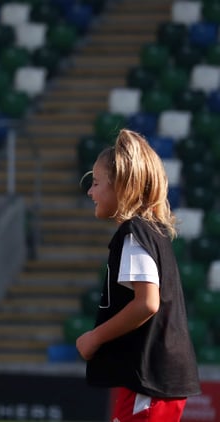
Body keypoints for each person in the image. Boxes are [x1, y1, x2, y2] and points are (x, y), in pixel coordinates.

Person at [80, 129, 200, 421]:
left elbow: (147, 303)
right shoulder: (152, 233)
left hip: (149, 381)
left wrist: (95, 338)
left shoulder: (134, 233)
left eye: (96, 183)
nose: (90, 192)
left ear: (121, 185)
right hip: (155, 381)